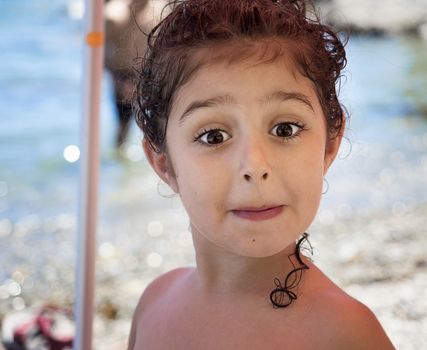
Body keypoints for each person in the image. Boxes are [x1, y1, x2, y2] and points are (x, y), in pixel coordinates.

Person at [130, 0, 396, 348]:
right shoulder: (154, 304)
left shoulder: (345, 335)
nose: (255, 167)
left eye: (285, 129)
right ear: (163, 162)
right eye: (214, 136)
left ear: (330, 144)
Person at [104, 0, 166, 148]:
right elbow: (98, 52)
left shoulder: (161, 8)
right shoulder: (115, 13)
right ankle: (118, 161)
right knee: (123, 129)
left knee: (161, 129)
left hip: (153, 76)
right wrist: (118, 81)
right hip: (124, 78)